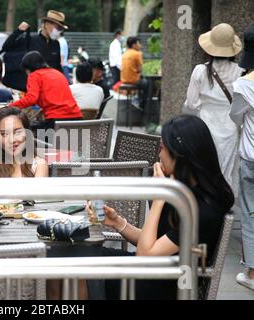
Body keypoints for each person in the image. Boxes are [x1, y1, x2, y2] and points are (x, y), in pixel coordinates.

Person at [82, 115, 234, 300]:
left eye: (162, 149)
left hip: (167, 287)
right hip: (156, 274)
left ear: (180, 155)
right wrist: (117, 223)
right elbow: (153, 244)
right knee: (81, 256)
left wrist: (160, 197)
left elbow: (145, 255)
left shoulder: (203, 209)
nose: (159, 155)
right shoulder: (184, 191)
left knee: (81, 268)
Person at [184, 23, 243, 194]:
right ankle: (225, 206)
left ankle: (206, 200)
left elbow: (191, 103)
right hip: (231, 126)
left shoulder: (200, 71)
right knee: (227, 169)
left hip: (205, 125)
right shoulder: (240, 72)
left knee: (204, 165)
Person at [230, 24, 254, 291]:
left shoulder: (244, 85)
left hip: (251, 158)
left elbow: (235, 116)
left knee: (250, 214)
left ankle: (253, 274)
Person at [9, 51, 83, 130]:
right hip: (77, 119)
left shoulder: (35, 75)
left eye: (26, 70)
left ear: (29, 68)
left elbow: (31, 99)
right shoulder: (57, 73)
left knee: (27, 132)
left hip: (56, 121)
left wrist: (9, 107)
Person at [0, 107, 48, 178]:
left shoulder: (38, 165)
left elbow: (37, 193)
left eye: (18, 132)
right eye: (4, 134)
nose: (12, 140)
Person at [1, 10, 67, 91]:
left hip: (49, 88)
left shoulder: (56, 44)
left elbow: (57, 67)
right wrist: (18, 31)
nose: (59, 31)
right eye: (58, 28)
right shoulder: (30, 40)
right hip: (31, 88)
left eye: (61, 29)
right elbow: (6, 47)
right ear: (47, 24)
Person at [121, 36, 150, 109]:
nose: (140, 45)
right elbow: (140, 70)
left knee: (142, 83)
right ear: (134, 45)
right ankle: (139, 102)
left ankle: (136, 98)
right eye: (138, 43)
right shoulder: (138, 53)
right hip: (133, 80)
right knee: (147, 84)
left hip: (123, 80)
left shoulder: (125, 53)